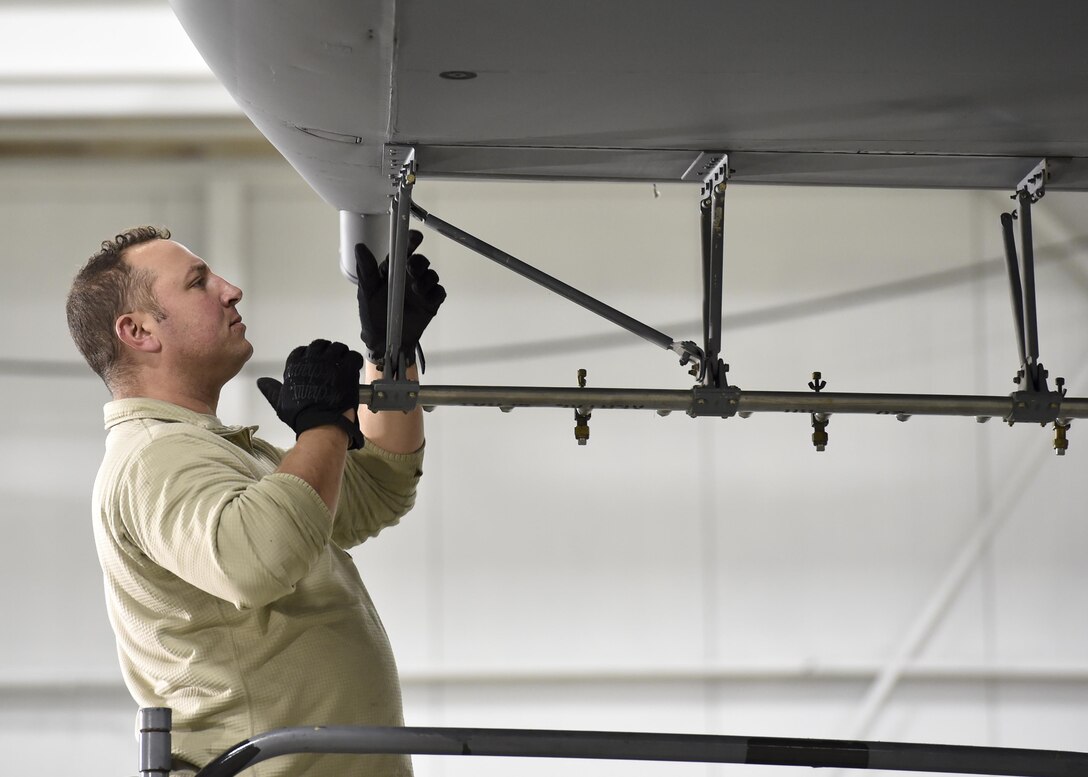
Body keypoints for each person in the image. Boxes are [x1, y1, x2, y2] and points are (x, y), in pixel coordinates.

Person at [65, 225, 445, 777]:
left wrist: (391, 356)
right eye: (198, 283)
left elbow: (376, 490)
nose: (230, 289)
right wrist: (322, 427)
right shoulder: (153, 458)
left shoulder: (216, 453)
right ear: (139, 330)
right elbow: (258, 559)